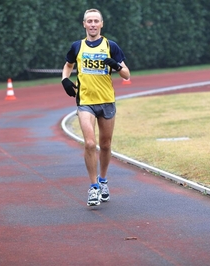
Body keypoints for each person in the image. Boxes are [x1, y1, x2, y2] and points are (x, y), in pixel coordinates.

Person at [61, 8, 131, 206]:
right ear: (84, 24)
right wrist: (65, 80)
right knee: (90, 143)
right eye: (89, 21)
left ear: (101, 24)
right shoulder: (77, 46)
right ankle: (93, 188)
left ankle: (103, 180)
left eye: (96, 21)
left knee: (106, 145)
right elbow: (68, 65)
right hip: (85, 102)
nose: (92, 24)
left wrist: (117, 66)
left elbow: (127, 74)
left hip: (107, 101)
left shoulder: (111, 46)